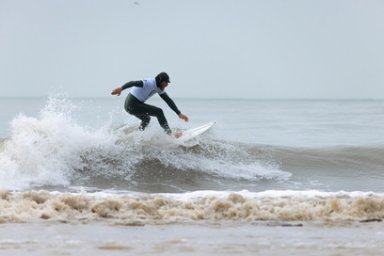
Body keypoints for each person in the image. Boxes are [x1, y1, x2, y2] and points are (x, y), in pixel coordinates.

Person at [111, 72, 189, 135]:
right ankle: (170, 135)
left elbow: (168, 100)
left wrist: (179, 113)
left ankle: (138, 136)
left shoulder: (159, 88)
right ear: (160, 81)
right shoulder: (149, 83)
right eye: (166, 82)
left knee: (146, 119)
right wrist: (121, 88)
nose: (167, 85)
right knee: (159, 111)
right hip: (132, 104)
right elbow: (133, 83)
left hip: (130, 106)